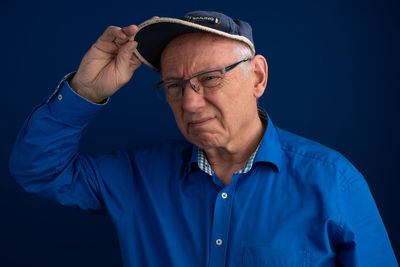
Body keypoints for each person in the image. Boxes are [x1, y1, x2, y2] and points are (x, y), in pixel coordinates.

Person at [9, 10, 398, 267]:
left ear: (258, 77)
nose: (191, 102)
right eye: (175, 85)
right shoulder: (136, 177)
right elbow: (38, 170)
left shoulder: (333, 181)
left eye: (211, 78)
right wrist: (87, 90)